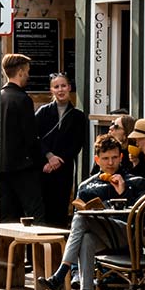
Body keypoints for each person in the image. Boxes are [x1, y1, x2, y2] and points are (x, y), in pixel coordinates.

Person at [37, 137, 145, 290]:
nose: (110, 163)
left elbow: (141, 217)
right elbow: (76, 233)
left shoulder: (135, 182)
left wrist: (124, 193)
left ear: (121, 157)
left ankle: (60, 275)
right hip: (102, 242)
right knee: (85, 236)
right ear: (97, 160)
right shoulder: (87, 186)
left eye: (114, 157)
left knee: (81, 217)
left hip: (128, 237)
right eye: (105, 158)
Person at [0, 53, 45, 222]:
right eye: (27, 71)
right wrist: (40, 161)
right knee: (36, 214)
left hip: (0, 167)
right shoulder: (23, 100)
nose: (28, 75)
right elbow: (30, 137)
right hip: (23, 167)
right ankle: (38, 249)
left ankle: (9, 249)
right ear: (20, 72)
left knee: (7, 216)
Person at [35, 72, 88, 227]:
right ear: (51, 90)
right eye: (56, 87)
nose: (60, 90)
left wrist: (59, 160)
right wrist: (48, 156)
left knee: (60, 207)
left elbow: (77, 143)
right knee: (43, 208)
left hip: (63, 168)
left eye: (63, 86)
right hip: (43, 168)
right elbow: (34, 137)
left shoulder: (78, 116)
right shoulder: (43, 111)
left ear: (69, 87)